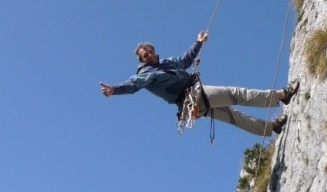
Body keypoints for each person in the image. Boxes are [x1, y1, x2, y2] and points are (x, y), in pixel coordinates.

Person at [100, 31, 299, 137]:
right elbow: (133, 85)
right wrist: (114, 90)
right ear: (141, 60)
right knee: (237, 94)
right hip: (192, 97)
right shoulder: (146, 73)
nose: (150, 56)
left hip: (194, 105)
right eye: (145, 55)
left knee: (233, 116)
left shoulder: (166, 63)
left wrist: (198, 43)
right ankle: (282, 95)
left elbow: (185, 60)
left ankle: (271, 128)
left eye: (150, 52)